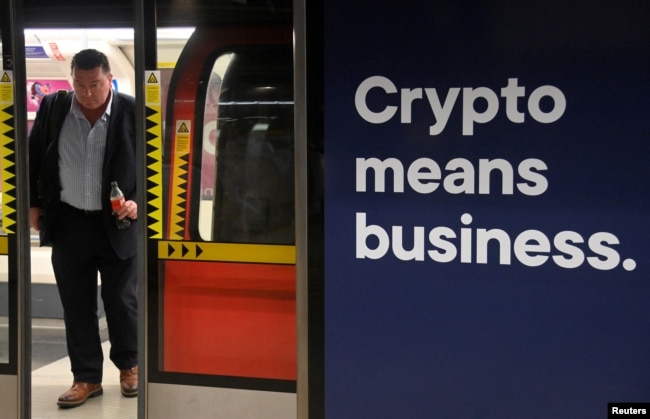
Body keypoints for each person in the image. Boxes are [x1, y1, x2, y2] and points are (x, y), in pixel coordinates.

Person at [28, 49, 139, 408]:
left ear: (109, 79)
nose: (87, 92)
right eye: (80, 84)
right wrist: (33, 203)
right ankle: (86, 377)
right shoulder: (53, 108)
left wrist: (140, 203)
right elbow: (32, 157)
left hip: (118, 223)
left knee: (121, 301)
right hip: (70, 221)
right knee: (76, 304)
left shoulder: (132, 112)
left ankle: (130, 367)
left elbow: (156, 168)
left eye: (94, 84)